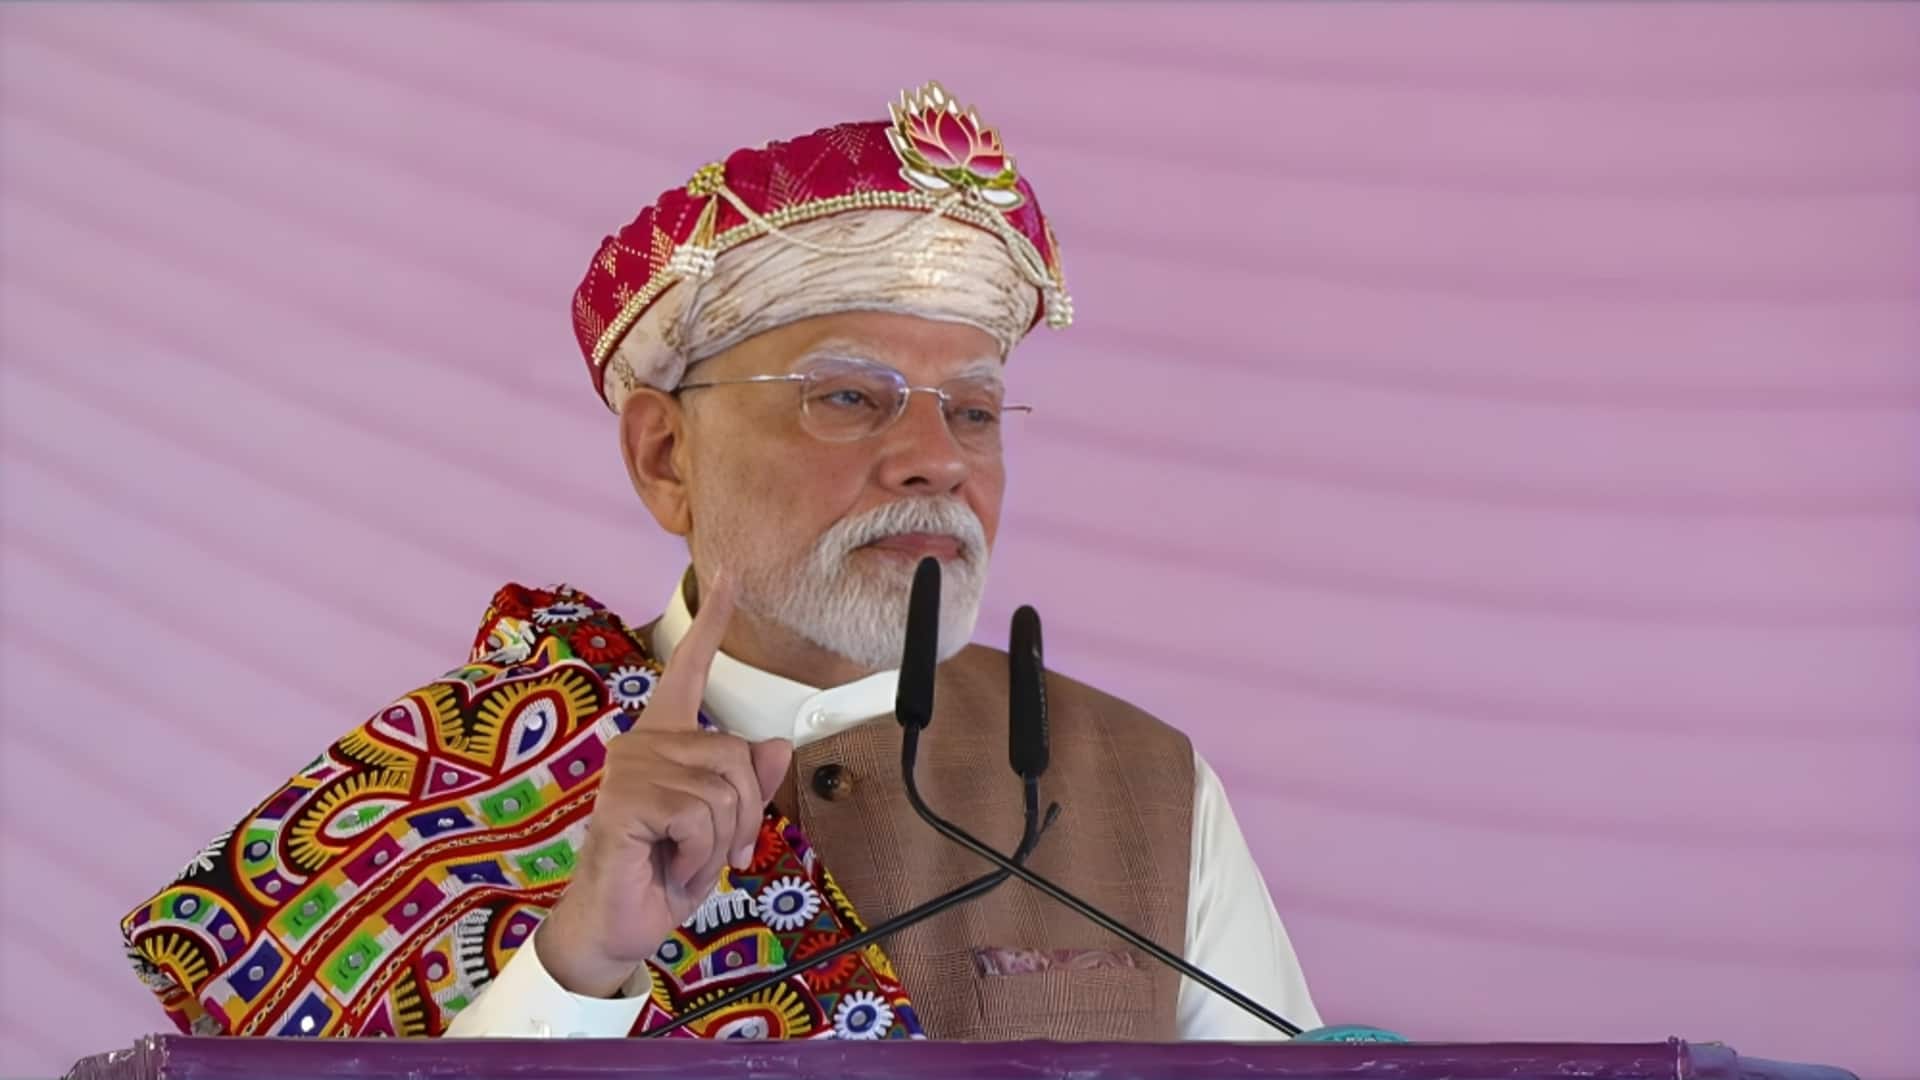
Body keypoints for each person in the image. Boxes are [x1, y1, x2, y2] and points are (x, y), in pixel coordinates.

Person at [120, 81, 1320, 1043]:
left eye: (974, 411)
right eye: (850, 397)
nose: (936, 461)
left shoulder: (1145, 785)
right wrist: (579, 965)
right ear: (666, 456)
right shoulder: (444, 798)